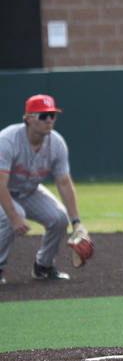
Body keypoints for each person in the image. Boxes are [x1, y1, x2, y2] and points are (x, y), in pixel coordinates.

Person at [0, 95, 86, 283]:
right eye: (43, 115)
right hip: (2, 191)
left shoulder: (56, 143)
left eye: (52, 116)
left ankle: (43, 267)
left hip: (28, 191)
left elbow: (63, 182)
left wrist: (77, 222)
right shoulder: (7, 140)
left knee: (58, 218)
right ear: (28, 118)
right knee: (10, 215)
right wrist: (15, 217)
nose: (48, 120)